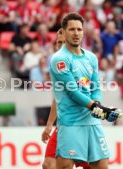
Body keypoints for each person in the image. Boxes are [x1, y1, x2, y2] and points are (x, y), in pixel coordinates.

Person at [49, 12, 122, 169]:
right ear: (63, 31)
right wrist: (98, 109)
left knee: (102, 165)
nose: (76, 33)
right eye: (72, 29)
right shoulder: (59, 59)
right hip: (71, 123)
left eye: (79, 29)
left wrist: (97, 105)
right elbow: (73, 92)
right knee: (65, 166)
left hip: (92, 122)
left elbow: (95, 87)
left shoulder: (91, 58)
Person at [41, 29, 90, 169]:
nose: (60, 47)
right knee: (48, 165)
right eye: (58, 43)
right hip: (63, 125)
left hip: (81, 125)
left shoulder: (82, 66)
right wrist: (49, 125)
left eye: (64, 43)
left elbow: (86, 96)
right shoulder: (58, 67)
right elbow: (58, 99)